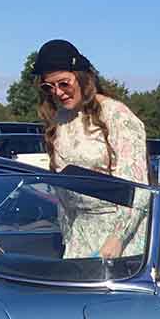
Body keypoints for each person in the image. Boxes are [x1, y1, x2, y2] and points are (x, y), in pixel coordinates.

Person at [32, 38, 147, 260]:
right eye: (49, 87)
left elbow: (138, 190)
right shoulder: (60, 120)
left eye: (64, 83)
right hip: (78, 237)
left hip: (119, 240)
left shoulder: (117, 115)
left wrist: (117, 239)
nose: (58, 92)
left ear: (82, 77)